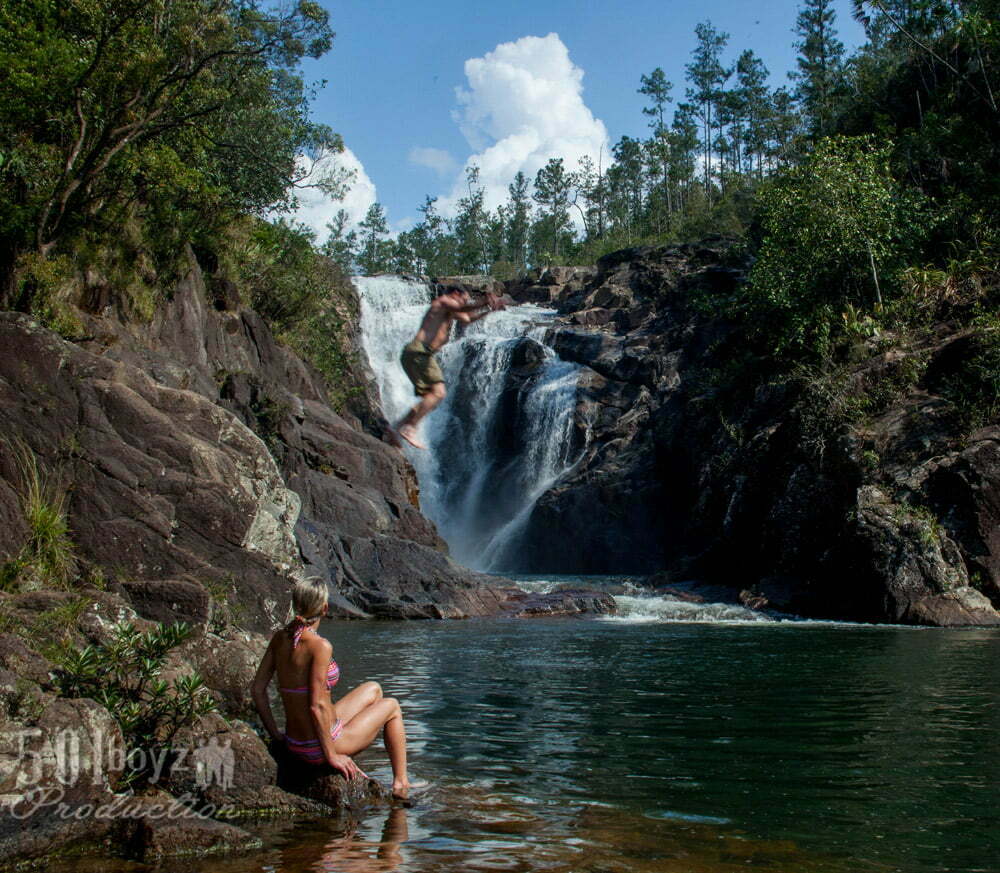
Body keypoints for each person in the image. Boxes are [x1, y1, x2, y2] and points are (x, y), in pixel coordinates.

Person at [251, 576, 412, 800]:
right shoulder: (320, 646)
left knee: (373, 688)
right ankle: (401, 783)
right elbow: (317, 706)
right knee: (392, 707)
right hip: (319, 746)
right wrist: (331, 756)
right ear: (325, 608)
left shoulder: (280, 638)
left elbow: (257, 689)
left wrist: (277, 735)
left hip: (295, 740)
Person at [395, 286, 506, 449]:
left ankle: (395, 428)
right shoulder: (442, 302)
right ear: (455, 294)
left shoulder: (449, 311)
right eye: (464, 298)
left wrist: (490, 309)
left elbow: (468, 318)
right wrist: (485, 301)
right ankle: (410, 427)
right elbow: (462, 308)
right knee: (439, 393)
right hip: (420, 352)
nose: (465, 302)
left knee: (430, 399)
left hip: (418, 354)